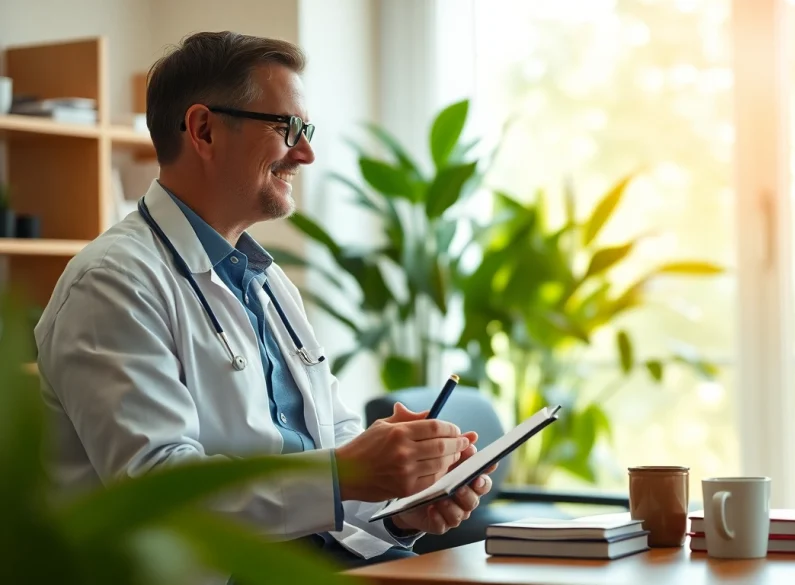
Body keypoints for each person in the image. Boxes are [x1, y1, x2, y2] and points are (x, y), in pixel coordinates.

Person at [32, 30, 492, 574]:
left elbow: (329, 459)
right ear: (203, 130)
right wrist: (345, 473)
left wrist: (404, 505)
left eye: (306, 129)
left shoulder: (269, 284)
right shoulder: (112, 283)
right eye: (287, 127)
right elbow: (160, 498)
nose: (306, 152)